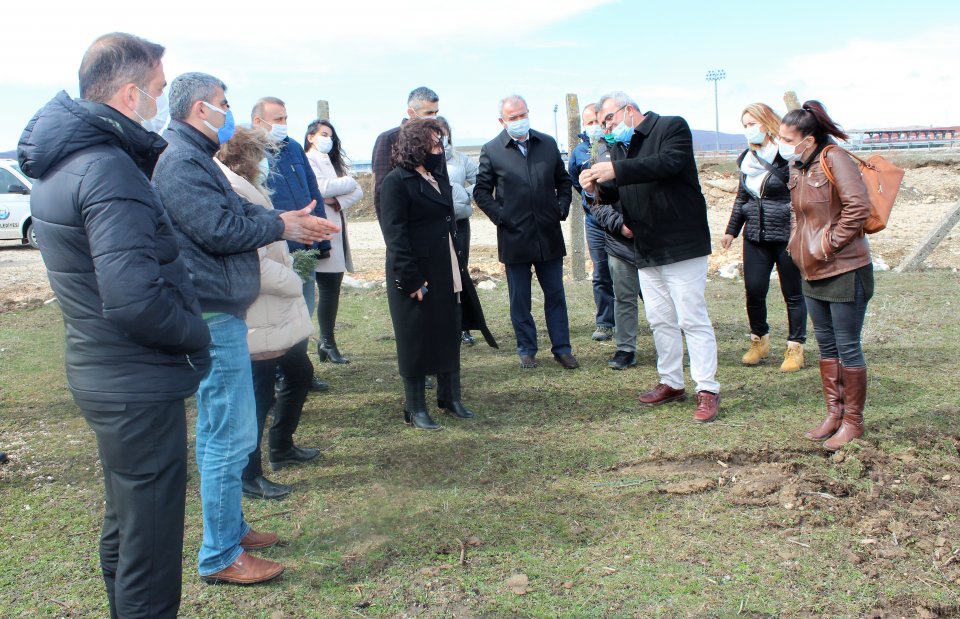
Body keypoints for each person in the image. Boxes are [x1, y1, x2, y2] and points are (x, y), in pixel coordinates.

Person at [17, 33, 211, 618]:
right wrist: (196, 332)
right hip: (134, 381)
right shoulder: (106, 169)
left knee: (129, 524)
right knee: (148, 547)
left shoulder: (68, 163)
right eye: (155, 91)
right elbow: (131, 299)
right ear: (129, 95)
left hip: (105, 371)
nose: (158, 104)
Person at [154, 72, 338, 585]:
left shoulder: (194, 158)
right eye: (223, 104)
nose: (228, 112)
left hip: (221, 310)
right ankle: (219, 555)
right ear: (198, 110)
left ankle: (230, 528)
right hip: (212, 314)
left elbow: (234, 211)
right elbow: (220, 229)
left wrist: (285, 219)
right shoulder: (179, 161)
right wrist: (282, 225)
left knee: (223, 431)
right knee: (227, 436)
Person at [581, 91, 720, 422]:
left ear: (629, 110)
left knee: (691, 318)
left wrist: (615, 168)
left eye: (609, 119)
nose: (606, 128)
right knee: (659, 318)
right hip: (645, 246)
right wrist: (593, 187)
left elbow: (666, 164)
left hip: (681, 243)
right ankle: (671, 381)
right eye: (601, 124)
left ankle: (707, 388)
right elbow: (616, 190)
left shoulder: (671, 128)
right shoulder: (618, 148)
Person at [215, 127, 320, 501]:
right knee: (258, 393)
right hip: (258, 312)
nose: (265, 163)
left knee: (298, 372)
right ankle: (250, 472)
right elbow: (253, 263)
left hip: (272, 312)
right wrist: (292, 278)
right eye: (259, 155)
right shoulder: (232, 189)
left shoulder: (243, 186)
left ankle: (281, 446)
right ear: (244, 157)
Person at [378, 119, 497, 429]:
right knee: (414, 337)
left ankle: (450, 397)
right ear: (415, 147)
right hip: (415, 272)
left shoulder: (436, 175)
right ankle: (415, 407)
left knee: (448, 328)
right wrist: (411, 278)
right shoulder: (396, 182)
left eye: (440, 143)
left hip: (446, 267)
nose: (439, 149)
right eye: (433, 144)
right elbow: (395, 236)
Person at [780, 100, 873, 451]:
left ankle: (853, 421)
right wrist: (796, 244)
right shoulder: (798, 166)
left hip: (845, 269)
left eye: (788, 139)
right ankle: (834, 415)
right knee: (827, 345)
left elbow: (858, 207)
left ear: (809, 137)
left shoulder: (835, 158)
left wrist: (828, 245)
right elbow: (797, 213)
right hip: (811, 271)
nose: (783, 144)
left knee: (848, 346)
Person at [474, 94, 578, 370]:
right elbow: (481, 192)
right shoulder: (492, 150)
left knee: (555, 294)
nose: (520, 121)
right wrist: (502, 217)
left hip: (548, 235)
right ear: (502, 121)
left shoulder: (547, 143)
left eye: (523, 115)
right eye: (513, 118)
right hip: (514, 237)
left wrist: (561, 207)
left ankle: (562, 348)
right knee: (520, 299)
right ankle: (527, 349)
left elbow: (563, 181)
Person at [253, 96, 331, 391]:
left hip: (303, 245)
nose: (283, 125)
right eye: (277, 119)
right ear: (258, 121)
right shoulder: (250, 152)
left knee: (303, 309)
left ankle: (300, 370)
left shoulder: (295, 148)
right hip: (273, 246)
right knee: (275, 313)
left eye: (285, 118)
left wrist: (321, 237)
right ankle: (274, 375)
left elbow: (312, 192)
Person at [721, 103, 807, 373]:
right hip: (755, 235)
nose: (748, 130)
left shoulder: (788, 158)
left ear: (767, 124)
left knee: (792, 293)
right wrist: (731, 230)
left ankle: (795, 347)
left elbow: (800, 194)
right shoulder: (747, 159)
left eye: (752, 124)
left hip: (786, 235)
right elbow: (742, 198)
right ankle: (759, 340)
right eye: (744, 125)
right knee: (755, 291)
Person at [304, 118, 364, 364]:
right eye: (323, 134)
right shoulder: (308, 159)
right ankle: (325, 343)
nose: (328, 139)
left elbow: (358, 192)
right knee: (320, 291)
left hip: (336, 230)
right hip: (318, 231)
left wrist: (337, 201)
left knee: (332, 290)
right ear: (311, 137)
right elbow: (320, 187)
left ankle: (326, 342)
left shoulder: (330, 161)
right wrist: (347, 183)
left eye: (330, 135)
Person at [589, 141, 645, 371]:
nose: (607, 124)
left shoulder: (648, 148)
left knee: (662, 300)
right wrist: (620, 225)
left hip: (655, 243)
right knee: (623, 298)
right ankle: (626, 349)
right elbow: (597, 203)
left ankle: (668, 346)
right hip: (620, 244)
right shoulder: (600, 154)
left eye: (610, 118)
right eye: (604, 120)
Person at [568, 103, 615, 342]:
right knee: (601, 272)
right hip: (595, 221)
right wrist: (589, 196)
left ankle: (661, 317)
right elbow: (575, 182)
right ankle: (605, 322)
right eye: (589, 122)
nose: (595, 126)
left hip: (621, 218)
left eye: (598, 120)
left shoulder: (617, 145)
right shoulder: (578, 152)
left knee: (636, 270)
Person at [434, 116, 480, 346]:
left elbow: (481, 181)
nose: (439, 137)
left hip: (459, 222)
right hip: (434, 224)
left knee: (459, 274)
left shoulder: (461, 159)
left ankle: (462, 326)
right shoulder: (423, 160)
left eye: (442, 131)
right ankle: (441, 325)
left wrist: (464, 197)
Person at [371, 87, 440, 219]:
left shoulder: (436, 139)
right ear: (411, 112)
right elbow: (381, 191)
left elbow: (442, 180)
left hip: (438, 223)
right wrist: (392, 233)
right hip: (408, 222)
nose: (434, 117)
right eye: (429, 113)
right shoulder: (389, 139)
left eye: (436, 112)